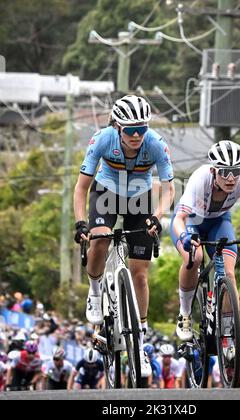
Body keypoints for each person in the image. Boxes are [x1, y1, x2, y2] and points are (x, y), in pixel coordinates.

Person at [74, 95, 175, 377]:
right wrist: (81, 223)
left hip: (140, 199)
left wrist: (158, 216)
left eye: (141, 128)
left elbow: (168, 188)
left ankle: (140, 345)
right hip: (105, 193)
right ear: (118, 127)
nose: (136, 135)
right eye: (129, 129)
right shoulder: (103, 139)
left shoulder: (155, 143)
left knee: (140, 275)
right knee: (101, 239)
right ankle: (95, 292)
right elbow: (81, 188)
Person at [171, 141, 240, 345]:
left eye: (235, 171)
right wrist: (185, 238)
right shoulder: (200, 177)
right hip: (191, 221)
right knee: (194, 257)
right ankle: (185, 313)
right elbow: (180, 219)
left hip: (219, 222)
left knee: (229, 274)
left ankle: (228, 336)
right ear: (214, 171)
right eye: (224, 172)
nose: (231, 178)